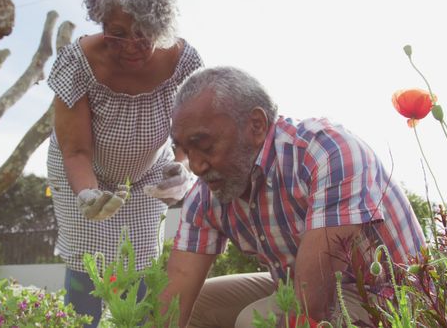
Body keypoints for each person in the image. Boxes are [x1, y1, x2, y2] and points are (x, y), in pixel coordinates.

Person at [161, 66, 426, 327]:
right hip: (299, 286)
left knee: (256, 322)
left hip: (393, 297)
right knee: (202, 304)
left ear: (256, 125)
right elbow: (178, 286)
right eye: (186, 150)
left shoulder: (325, 152)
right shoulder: (208, 194)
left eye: (205, 146)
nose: (195, 167)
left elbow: (312, 298)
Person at [46, 0, 203, 326]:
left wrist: (182, 169)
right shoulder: (78, 62)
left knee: (142, 265)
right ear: (101, 22)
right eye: (117, 33)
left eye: (143, 34)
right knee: (86, 264)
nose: (131, 45)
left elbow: (189, 135)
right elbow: (76, 151)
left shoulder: (183, 62)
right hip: (82, 171)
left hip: (147, 178)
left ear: (160, 28)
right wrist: (87, 194)